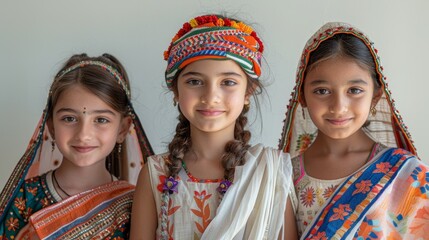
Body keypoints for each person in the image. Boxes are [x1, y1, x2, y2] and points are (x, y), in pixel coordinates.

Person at [131, 14, 297, 239]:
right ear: (176, 91)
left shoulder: (269, 172)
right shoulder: (154, 173)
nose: (211, 96)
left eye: (228, 82)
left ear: (248, 92)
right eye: (195, 82)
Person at [278, 22, 429, 239]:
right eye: (322, 91)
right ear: (301, 96)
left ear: (376, 96)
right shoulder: (286, 176)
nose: (339, 106)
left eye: (354, 90)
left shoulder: (409, 175)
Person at [0, 53, 154, 239]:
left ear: (123, 129)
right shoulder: (24, 197)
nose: (83, 134)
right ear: (51, 126)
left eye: (101, 120)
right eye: (70, 119)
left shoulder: (135, 205)